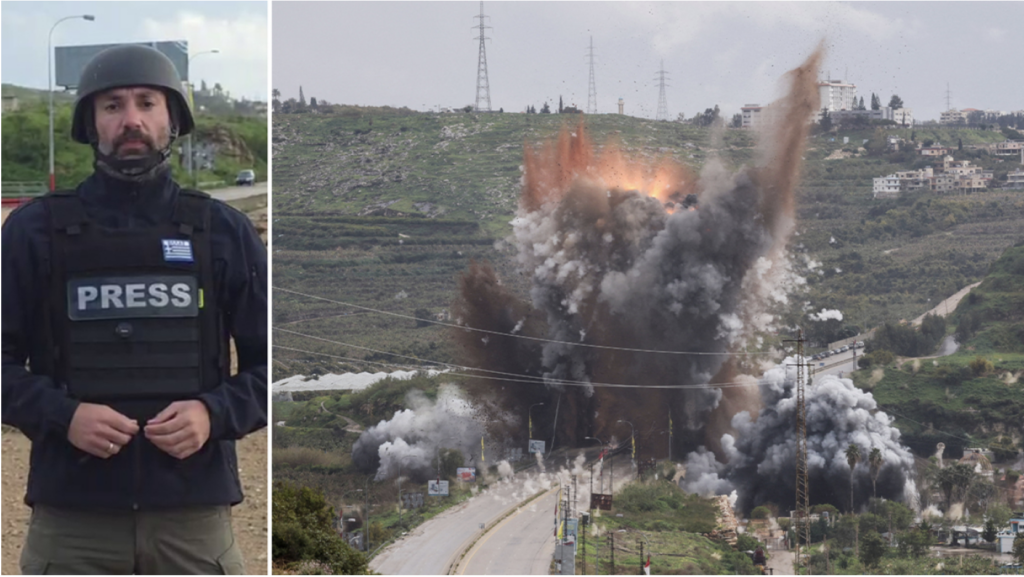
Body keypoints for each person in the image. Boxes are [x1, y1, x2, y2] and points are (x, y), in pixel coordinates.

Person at [1, 44, 267, 574]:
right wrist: (65, 415)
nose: (131, 120)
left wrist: (212, 414)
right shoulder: (33, 233)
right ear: (90, 124)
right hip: (72, 525)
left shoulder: (221, 232)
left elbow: (273, 368)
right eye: (112, 105)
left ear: (172, 119)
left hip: (193, 524)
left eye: (147, 103)